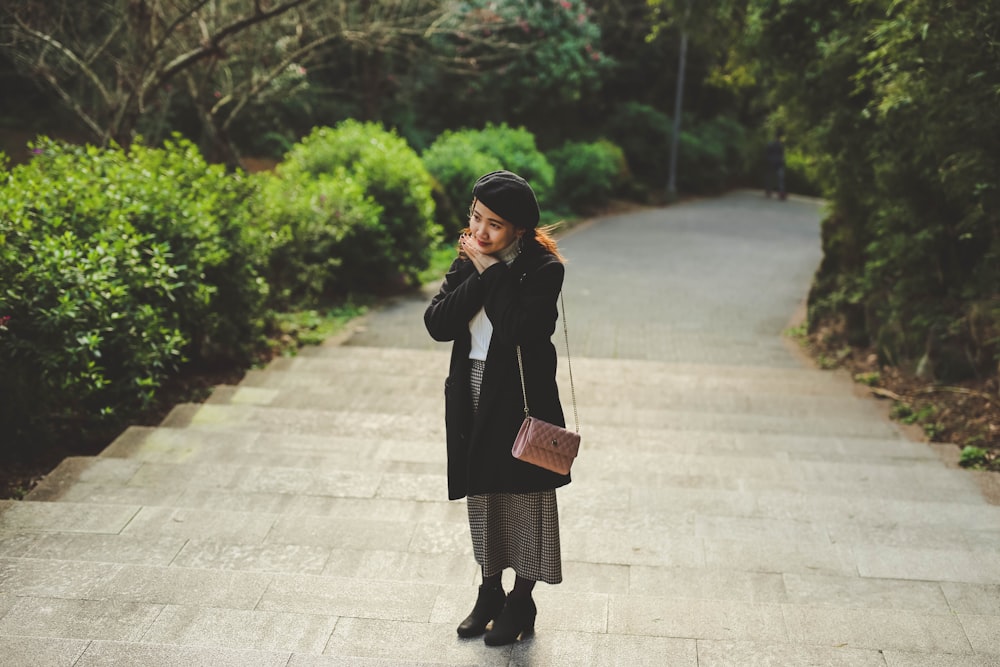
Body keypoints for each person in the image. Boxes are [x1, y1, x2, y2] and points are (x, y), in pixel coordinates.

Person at [424, 170, 571, 646]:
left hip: (523, 397)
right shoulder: (469, 257)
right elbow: (439, 323)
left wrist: (492, 271)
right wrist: (479, 270)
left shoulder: (545, 270)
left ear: (520, 231)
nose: (480, 232)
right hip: (472, 385)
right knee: (483, 494)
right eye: (475, 218)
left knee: (526, 497)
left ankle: (521, 599)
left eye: (494, 225)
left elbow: (517, 330)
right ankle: (489, 591)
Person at [764, 130, 786, 200]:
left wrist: (768, 160)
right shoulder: (781, 145)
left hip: (771, 163)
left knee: (770, 178)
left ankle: (768, 191)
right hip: (779, 163)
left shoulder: (770, 144)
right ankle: (781, 193)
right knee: (780, 179)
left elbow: (767, 154)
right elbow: (782, 156)